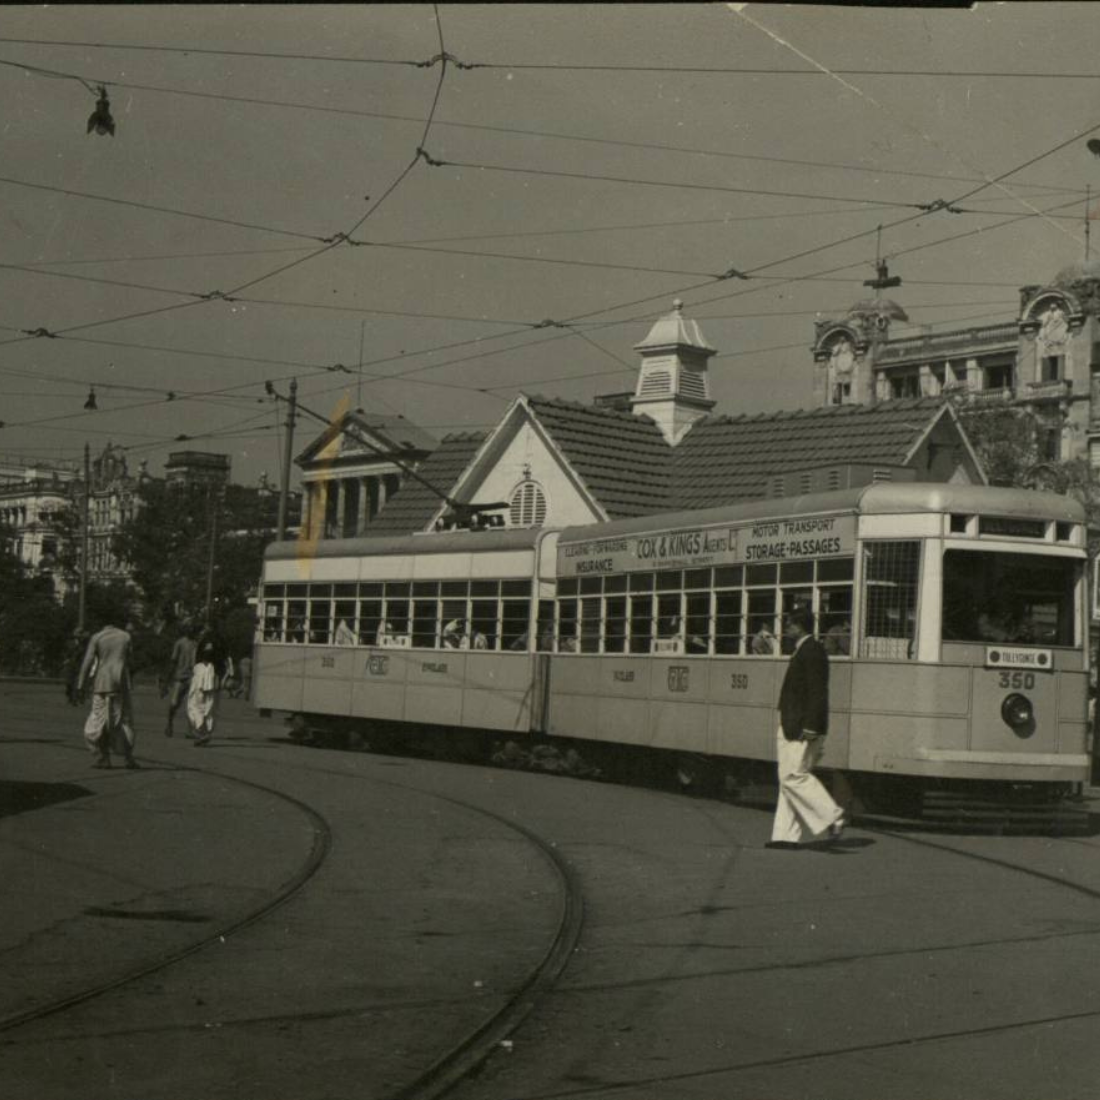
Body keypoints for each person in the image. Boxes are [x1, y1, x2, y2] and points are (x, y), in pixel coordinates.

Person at [768, 606, 846, 849]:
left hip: (801, 726)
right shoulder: (806, 649)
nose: (786, 628)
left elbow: (817, 691)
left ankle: (832, 817)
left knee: (794, 776)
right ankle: (784, 836)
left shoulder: (811, 651)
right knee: (787, 778)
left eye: (789, 624)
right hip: (794, 723)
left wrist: (811, 725)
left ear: (799, 626)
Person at [77, 617, 137, 770]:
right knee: (124, 721)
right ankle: (128, 758)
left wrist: (80, 685)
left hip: (102, 683)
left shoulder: (97, 637)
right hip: (120, 683)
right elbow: (131, 661)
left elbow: (87, 662)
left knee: (99, 722)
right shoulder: (126, 636)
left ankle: (104, 758)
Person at [163, 622, 197, 738]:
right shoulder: (180, 643)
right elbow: (173, 660)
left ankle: (190, 729)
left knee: (192, 704)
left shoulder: (196, 643)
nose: (191, 630)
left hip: (192, 676)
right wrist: (167, 679)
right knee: (174, 703)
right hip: (180, 676)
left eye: (193, 629)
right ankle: (169, 723)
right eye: (189, 628)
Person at [187, 642, 219, 746]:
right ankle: (202, 735)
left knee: (199, 712)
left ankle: (201, 735)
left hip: (202, 693)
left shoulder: (205, 667)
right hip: (203, 693)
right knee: (203, 712)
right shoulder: (205, 667)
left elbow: (205, 684)